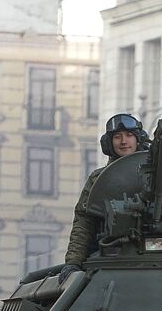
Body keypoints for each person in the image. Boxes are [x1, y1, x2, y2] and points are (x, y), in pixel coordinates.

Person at [63, 114, 151, 269]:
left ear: (139, 139)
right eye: (117, 137)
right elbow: (84, 222)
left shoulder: (157, 174)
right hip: (110, 254)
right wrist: (73, 262)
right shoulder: (99, 179)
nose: (124, 141)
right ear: (108, 143)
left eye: (129, 135)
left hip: (153, 253)